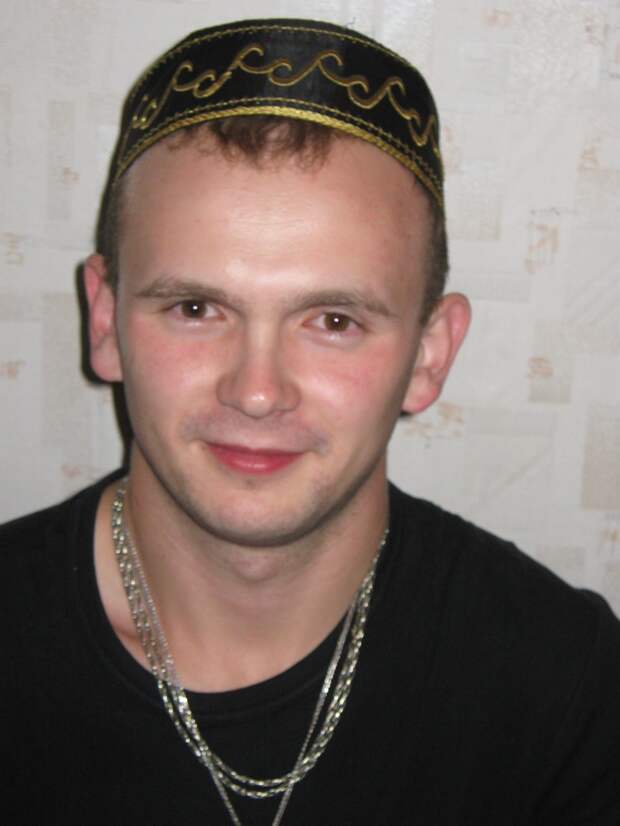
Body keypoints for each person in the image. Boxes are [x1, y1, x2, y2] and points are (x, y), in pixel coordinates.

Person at [2, 18, 619, 826]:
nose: (257, 392)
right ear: (106, 321)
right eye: (196, 309)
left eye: (333, 321)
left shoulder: (564, 684)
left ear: (430, 354)